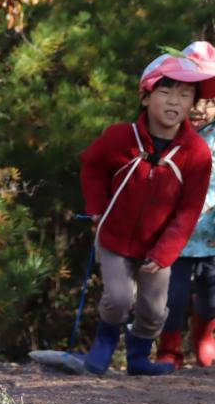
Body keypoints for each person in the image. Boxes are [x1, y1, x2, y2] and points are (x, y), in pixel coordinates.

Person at [78, 43, 215, 375]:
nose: (174, 101)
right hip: (115, 238)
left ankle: (139, 357)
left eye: (185, 95)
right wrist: (96, 207)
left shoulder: (197, 153)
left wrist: (165, 252)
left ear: (193, 104)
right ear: (145, 97)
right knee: (118, 298)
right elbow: (92, 165)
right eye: (165, 92)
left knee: (155, 309)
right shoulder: (121, 137)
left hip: (159, 245)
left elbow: (189, 210)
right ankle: (104, 344)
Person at [158, 94, 215, 367]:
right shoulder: (167, 134)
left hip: (210, 234)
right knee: (174, 297)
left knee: (211, 298)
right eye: (194, 101)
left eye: (209, 102)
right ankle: (169, 347)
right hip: (175, 235)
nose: (199, 110)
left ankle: (203, 336)